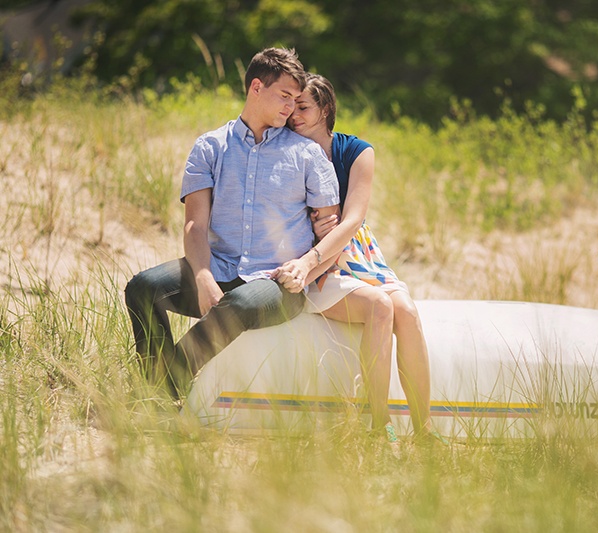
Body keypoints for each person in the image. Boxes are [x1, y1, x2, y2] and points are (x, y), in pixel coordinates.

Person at [125, 48, 339, 398]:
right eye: (284, 96)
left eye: (296, 99)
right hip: (220, 267)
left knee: (238, 303)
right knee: (143, 287)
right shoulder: (210, 147)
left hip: (278, 285)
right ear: (256, 87)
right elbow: (195, 224)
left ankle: (160, 392)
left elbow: (331, 230)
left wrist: (305, 267)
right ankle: (163, 392)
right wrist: (204, 276)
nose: (290, 107)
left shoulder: (307, 154)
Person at [274, 73, 447, 446]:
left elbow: (352, 220)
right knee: (381, 307)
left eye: (303, 107)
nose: (294, 116)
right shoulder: (283, 148)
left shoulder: (356, 151)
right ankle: (378, 425)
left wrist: (330, 231)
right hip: (312, 255)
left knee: (408, 312)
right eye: (291, 109)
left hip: (357, 249)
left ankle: (424, 429)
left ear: (326, 109)